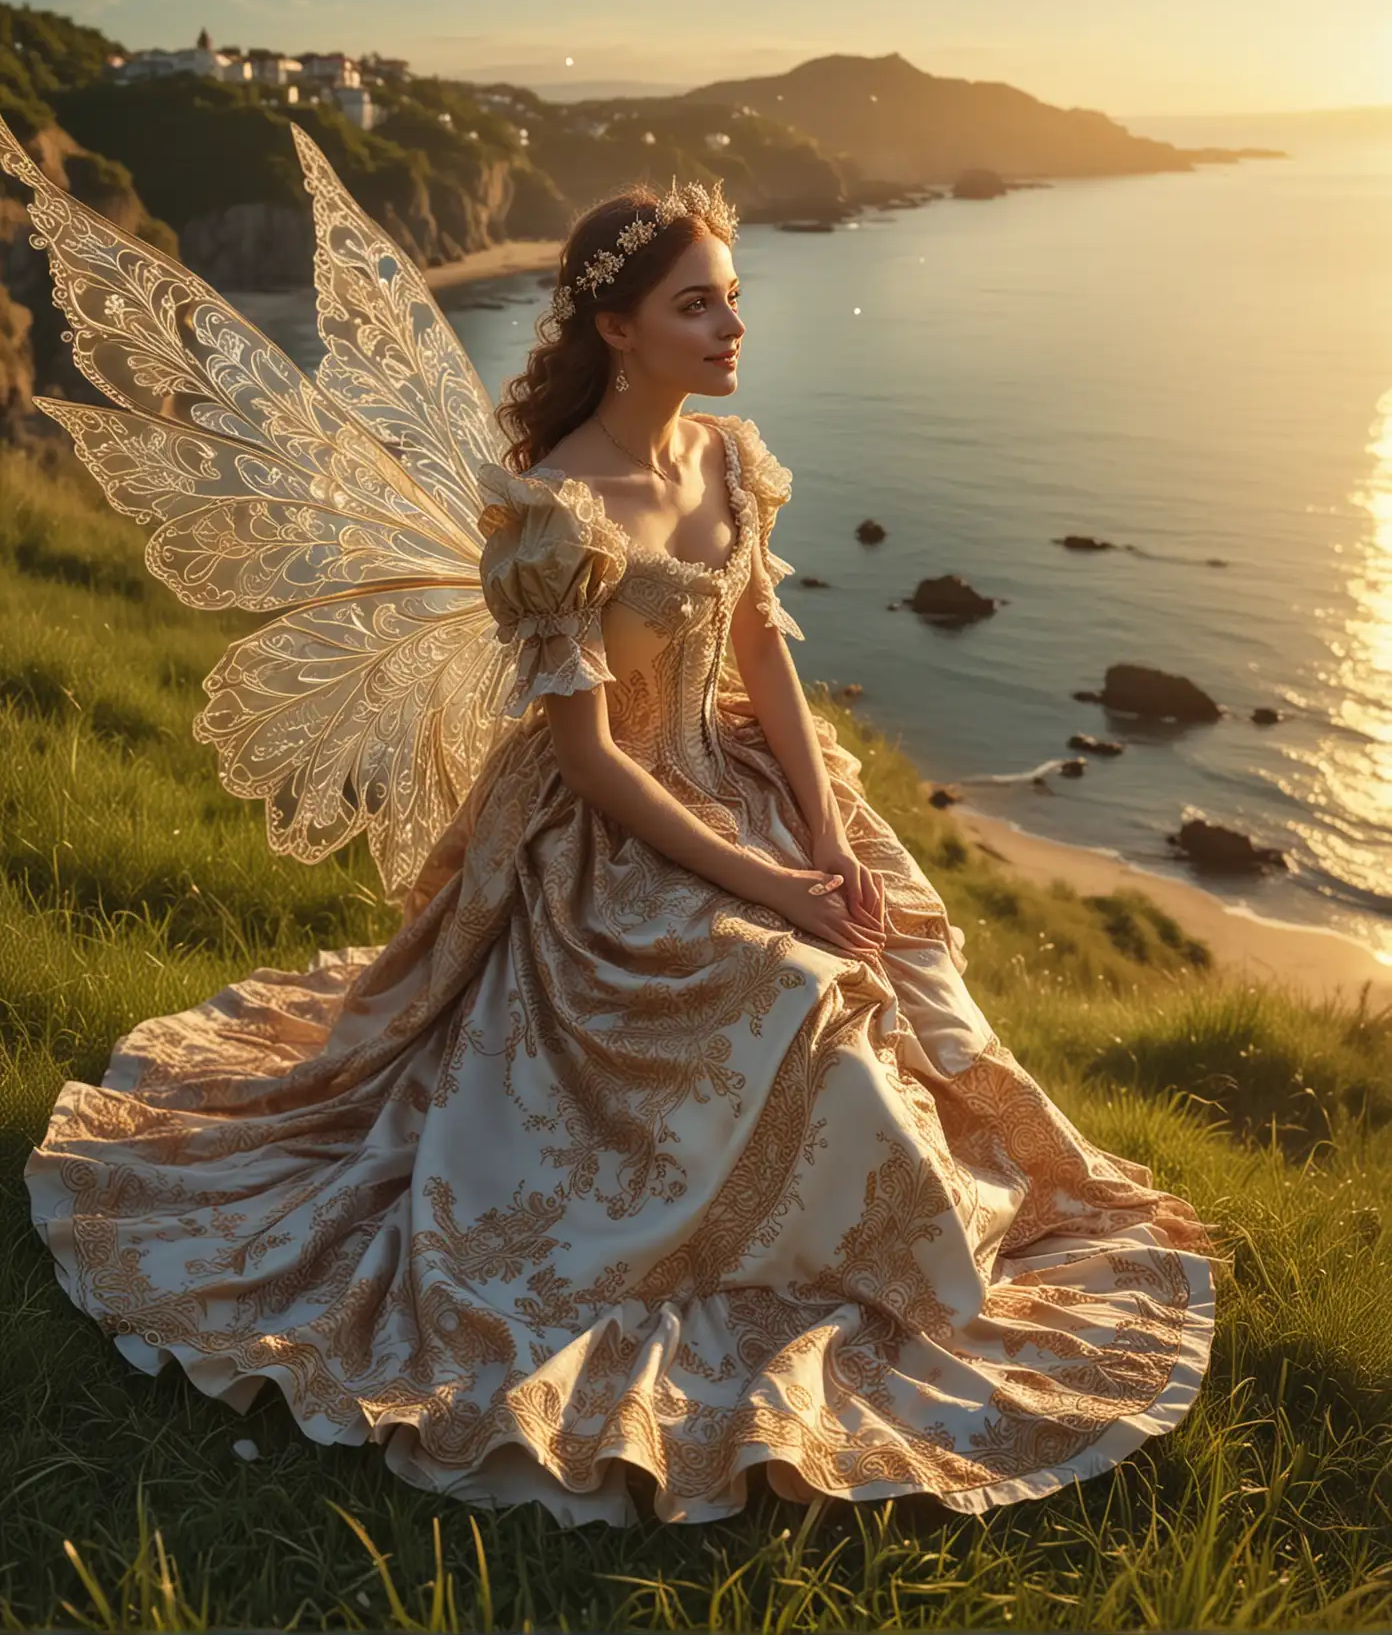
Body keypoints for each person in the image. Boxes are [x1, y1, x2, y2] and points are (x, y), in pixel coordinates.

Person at [2, 109, 1218, 1528]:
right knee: (792, 991)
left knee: (895, 960)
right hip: (615, 830)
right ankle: (769, 1256)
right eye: (698, 303)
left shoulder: (728, 460)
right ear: (621, 329)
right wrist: (767, 885)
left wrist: (824, 842)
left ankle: (895, 1232)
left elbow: (764, 657)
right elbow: (588, 763)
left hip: (752, 775)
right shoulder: (554, 510)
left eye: (736, 299)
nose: (731, 325)